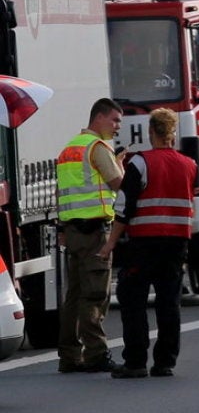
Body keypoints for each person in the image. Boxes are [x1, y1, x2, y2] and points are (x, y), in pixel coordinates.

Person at [99, 108, 196, 379]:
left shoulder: (140, 163)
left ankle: (136, 362)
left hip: (144, 243)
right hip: (177, 243)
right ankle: (165, 362)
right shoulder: (189, 165)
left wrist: (109, 244)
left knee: (133, 301)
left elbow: (123, 208)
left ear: (151, 132)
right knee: (169, 303)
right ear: (173, 134)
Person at [55, 98, 125, 374]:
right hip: (94, 231)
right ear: (99, 118)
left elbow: (62, 192)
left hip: (73, 231)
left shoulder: (70, 148)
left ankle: (70, 356)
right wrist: (120, 165)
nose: (118, 126)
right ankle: (96, 354)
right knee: (94, 295)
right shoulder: (97, 148)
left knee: (74, 296)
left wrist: (62, 228)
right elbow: (117, 184)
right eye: (115, 120)